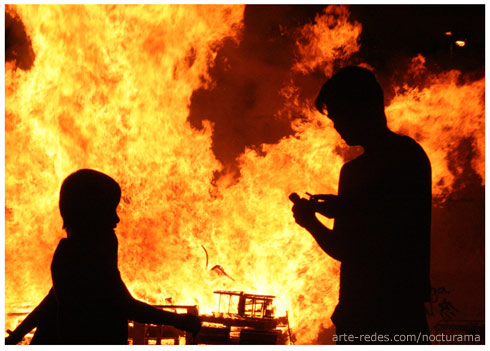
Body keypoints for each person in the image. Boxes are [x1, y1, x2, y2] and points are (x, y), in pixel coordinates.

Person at [291, 66, 431, 344]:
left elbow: (347, 248)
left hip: (366, 317)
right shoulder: (411, 155)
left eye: (338, 115)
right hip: (406, 314)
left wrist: (310, 223)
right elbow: (388, 222)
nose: (337, 126)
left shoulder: (357, 171)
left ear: (361, 109)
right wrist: (343, 208)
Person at [6, 169, 201, 344]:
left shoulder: (69, 253)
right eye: (110, 211)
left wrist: (17, 335)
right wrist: (175, 319)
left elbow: (51, 301)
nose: (116, 220)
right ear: (90, 214)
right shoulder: (83, 257)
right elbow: (125, 304)